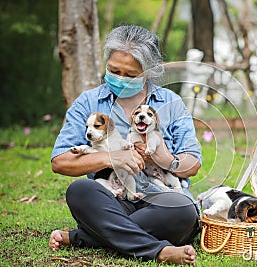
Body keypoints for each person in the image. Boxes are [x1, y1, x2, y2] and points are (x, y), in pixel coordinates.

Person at [48, 25, 202, 266]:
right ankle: (160, 251)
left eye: (130, 75)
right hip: (113, 199)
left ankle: (87, 237)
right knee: (80, 191)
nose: (120, 78)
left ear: (149, 72)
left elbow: (192, 164)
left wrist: (163, 159)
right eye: (113, 70)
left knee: (183, 209)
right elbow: (60, 161)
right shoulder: (88, 102)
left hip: (160, 199)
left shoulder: (171, 103)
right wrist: (112, 158)